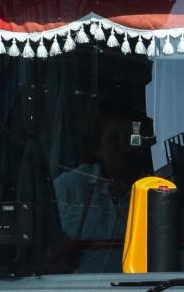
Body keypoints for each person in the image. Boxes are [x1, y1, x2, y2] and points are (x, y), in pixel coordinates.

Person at [52, 108, 154, 270]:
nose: (123, 145)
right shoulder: (69, 187)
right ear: (97, 148)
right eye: (115, 137)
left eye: (130, 137)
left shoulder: (158, 192)